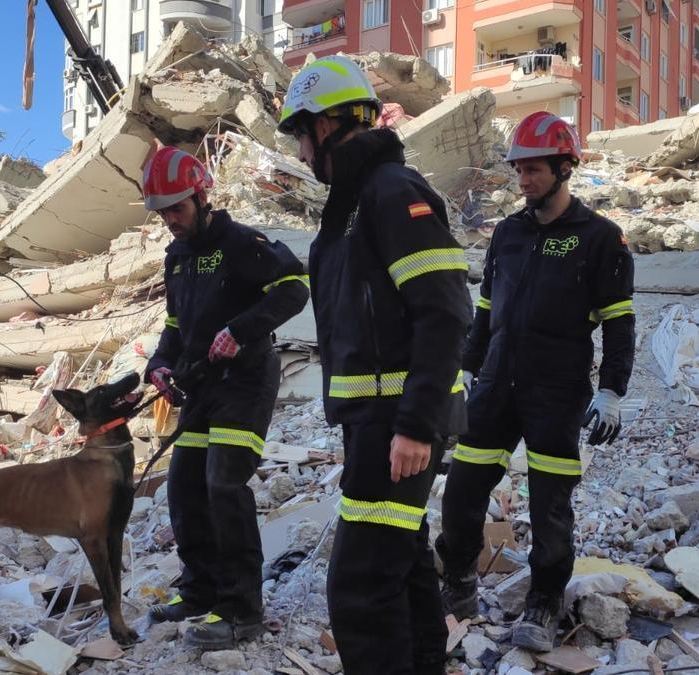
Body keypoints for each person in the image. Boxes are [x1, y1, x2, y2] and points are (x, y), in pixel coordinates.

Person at [277, 55, 472, 674]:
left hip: (399, 423)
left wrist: (417, 423)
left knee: (358, 587)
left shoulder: (393, 192)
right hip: (376, 422)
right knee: (406, 566)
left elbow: (444, 313)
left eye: (303, 137)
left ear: (329, 125)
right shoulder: (352, 206)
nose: (302, 156)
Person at [435, 111, 636, 652]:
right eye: (519, 170)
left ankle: (543, 604)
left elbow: (619, 323)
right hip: (496, 386)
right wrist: (467, 369)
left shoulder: (601, 239)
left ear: (565, 167)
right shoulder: (507, 233)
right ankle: (456, 585)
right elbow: (484, 310)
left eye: (534, 170)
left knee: (549, 506)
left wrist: (612, 390)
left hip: (557, 391)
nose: (523, 181)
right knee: (461, 495)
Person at [142, 145, 309, 650]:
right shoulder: (177, 257)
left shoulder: (242, 242)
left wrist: (241, 330)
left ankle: (241, 611)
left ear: (201, 195)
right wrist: (159, 364)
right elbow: (175, 326)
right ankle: (201, 590)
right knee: (185, 488)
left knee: (223, 487)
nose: (171, 219)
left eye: (178, 207)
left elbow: (295, 286)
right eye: (163, 211)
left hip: (246, 381)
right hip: (201, 388)